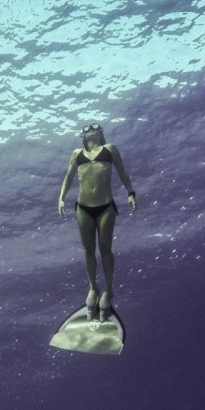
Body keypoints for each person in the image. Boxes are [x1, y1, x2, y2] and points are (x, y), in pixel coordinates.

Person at [57, 123, 137, 320]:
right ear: (83, 136)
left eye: (96, 127)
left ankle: (108, 290)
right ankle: (93, 288)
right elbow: (68, 177)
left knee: (105, 248)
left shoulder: (109, 149)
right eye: (88, 128)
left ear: (102, 133)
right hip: (83, 208)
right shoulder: (76, 153)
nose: (92, 128)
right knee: (88, 249)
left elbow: (122, 171)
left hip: (106, 207)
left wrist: (130, 192)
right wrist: (61, 198)